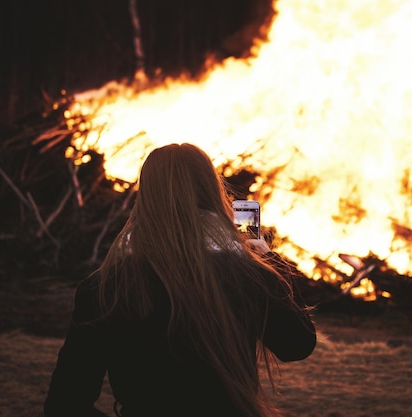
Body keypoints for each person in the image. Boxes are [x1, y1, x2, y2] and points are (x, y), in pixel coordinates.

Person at [43, 143, 316, 417]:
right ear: (211, 190)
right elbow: (297, 345)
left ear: (146, 196)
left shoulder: (104, 287)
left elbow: (65, 404)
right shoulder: (247, 276)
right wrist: (267, 262)